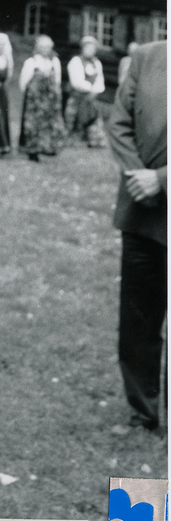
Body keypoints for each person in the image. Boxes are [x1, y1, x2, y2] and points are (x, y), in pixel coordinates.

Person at [107, 40, 166, 432]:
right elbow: (119, 123)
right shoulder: (147, 56)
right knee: (138, 321)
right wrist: (139, 178)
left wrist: (163, 179)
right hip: (142, 215)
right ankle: (143, 410)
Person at [18, 34, 65, 162]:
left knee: (49, 124)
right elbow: (23, 82)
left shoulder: (54, 62)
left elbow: (57, 80)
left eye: (48, 47)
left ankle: (48, 148)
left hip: (50, 99)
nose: (45, 50)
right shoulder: (31, 62)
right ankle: (33, 151)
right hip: (35, 101)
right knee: (33, 125)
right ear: (37, 48)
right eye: (42, 47)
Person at [65, 35, 107, 147]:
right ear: (82, 48)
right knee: (74, 119)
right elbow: (76, 81)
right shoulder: (76, 61)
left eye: (93, 48)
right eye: (87, 48)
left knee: (93, 117)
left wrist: (96, 90)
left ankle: (94, 141)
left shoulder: (96, 62)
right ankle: (72, 141)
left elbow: (100, 79)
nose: (90, 51)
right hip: (77, 96)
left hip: (91, 98)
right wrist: (89, 89)